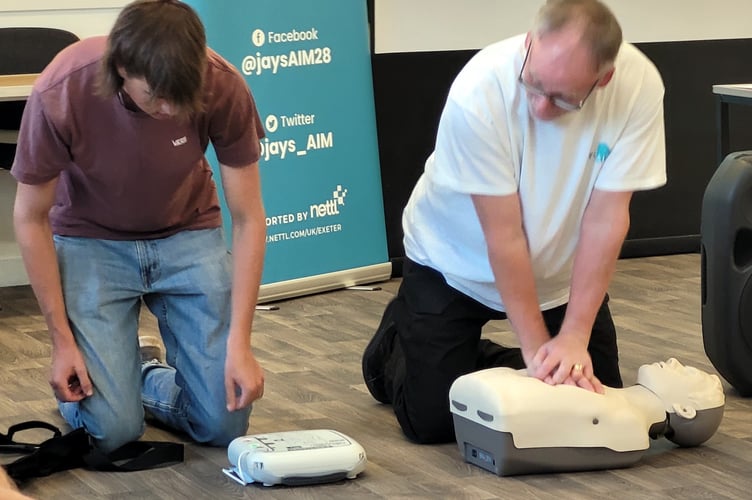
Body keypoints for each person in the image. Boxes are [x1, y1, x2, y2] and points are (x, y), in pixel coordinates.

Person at [362, 0, 666, 444]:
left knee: (595, 402)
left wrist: (574, 337)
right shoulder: (478, 92)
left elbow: (606, 219)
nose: (541, 108)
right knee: (434, 423)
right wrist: (537, 354)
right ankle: (394, 344)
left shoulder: (638, 87)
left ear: (603, 80)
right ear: (528, 43)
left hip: (557, 274)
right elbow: (503, 235)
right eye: (534, 85)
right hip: (454, 262)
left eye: (562, 98)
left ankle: (470, 361)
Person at [11, 0, 266, 453]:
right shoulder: (62, 88)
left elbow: (248, 218)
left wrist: (240, 344)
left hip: (187, 232)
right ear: (122, 69)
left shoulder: (222, 83)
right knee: (113, 432)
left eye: (180, 97)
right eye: (155, 95)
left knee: (224, 423)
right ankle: (112, 389)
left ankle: (140, 374)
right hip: (91, 239)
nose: (168, 108)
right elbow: (30, 218)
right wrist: (62, 343)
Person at [450, 358, 725, 476]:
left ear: (685, 410)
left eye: (687, 374)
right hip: (497, 398)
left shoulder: (630, 430)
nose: (675, 362)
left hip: (503, 404)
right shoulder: (621, 410)